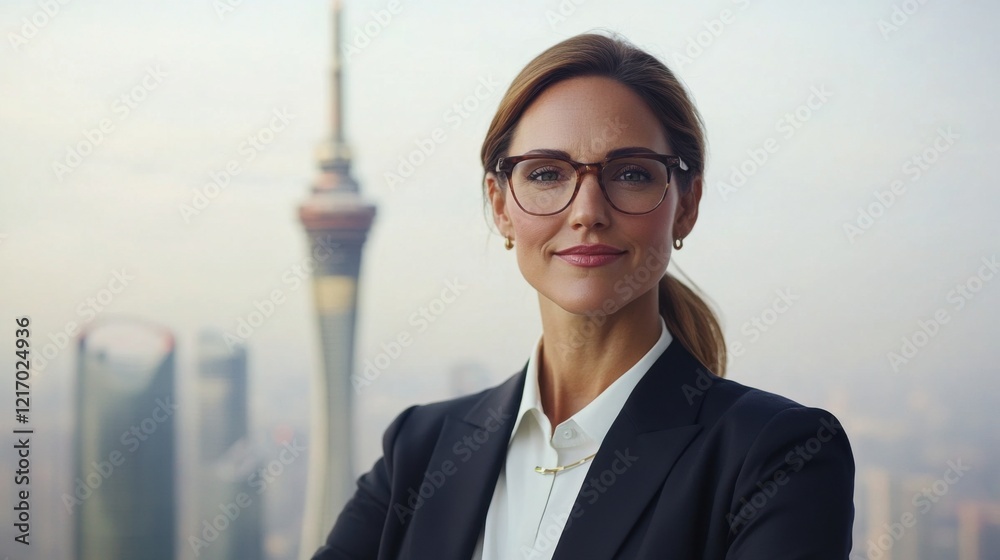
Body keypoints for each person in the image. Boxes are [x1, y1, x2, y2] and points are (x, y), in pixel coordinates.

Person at [311, 32, 855, 560]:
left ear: (686, 204)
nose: (587, 211)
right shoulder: (419, 450)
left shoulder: (779, 457)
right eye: (547, 173)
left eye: (632, 174)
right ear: (501, 205)